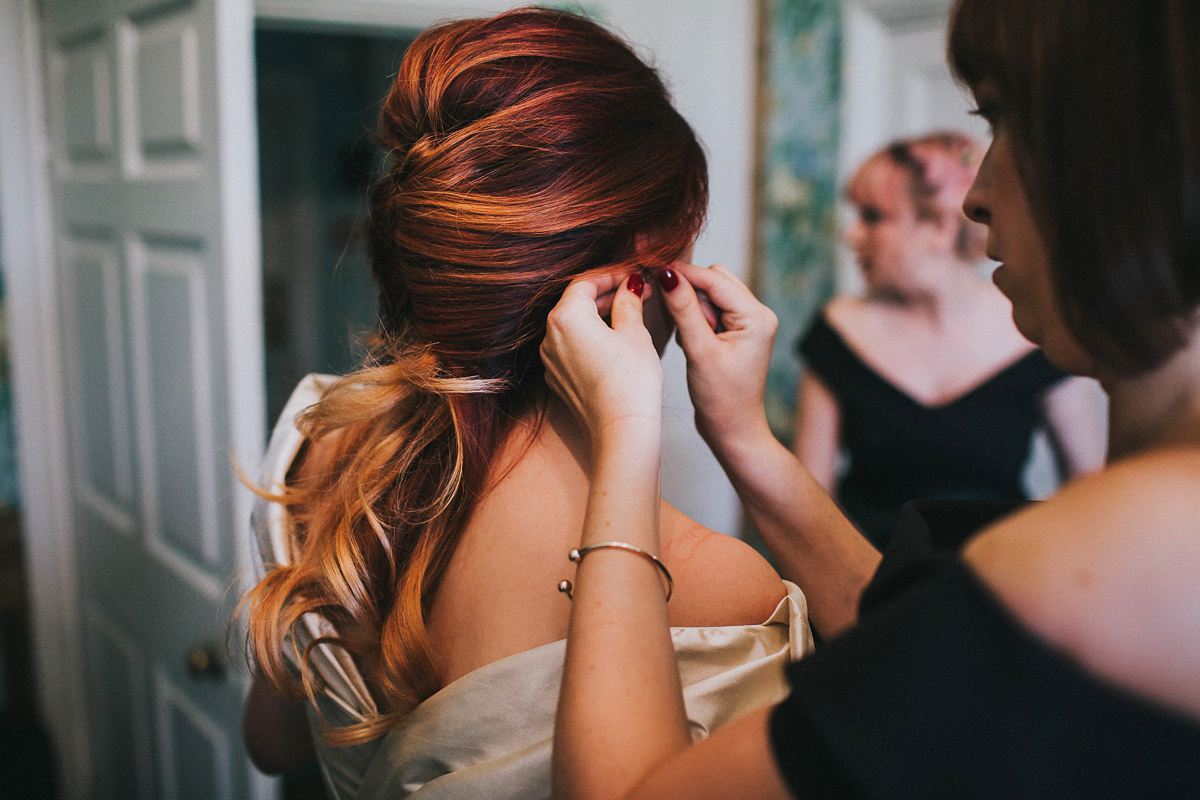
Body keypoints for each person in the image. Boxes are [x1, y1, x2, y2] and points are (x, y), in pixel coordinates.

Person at [541, 0, 1200, 796]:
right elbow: (931, 655)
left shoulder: (1089, 567)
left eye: (1005, 119)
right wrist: (742, 435)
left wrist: (626, 428)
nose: (977, 198)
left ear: (1128, 153)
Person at [237, 8, 811, 800]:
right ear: (636, 277)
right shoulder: (717, 590)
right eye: (685, 244)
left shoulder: (321, 438)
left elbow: (269, 742)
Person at [793, 131, 1104, 547]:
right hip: (866, 584)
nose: (852, 235)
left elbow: (1089, 482)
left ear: (938, 228)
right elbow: (807, 503)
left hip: (1001, 582)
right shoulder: (837, 329)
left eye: (872, 216)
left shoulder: (1036, 330)